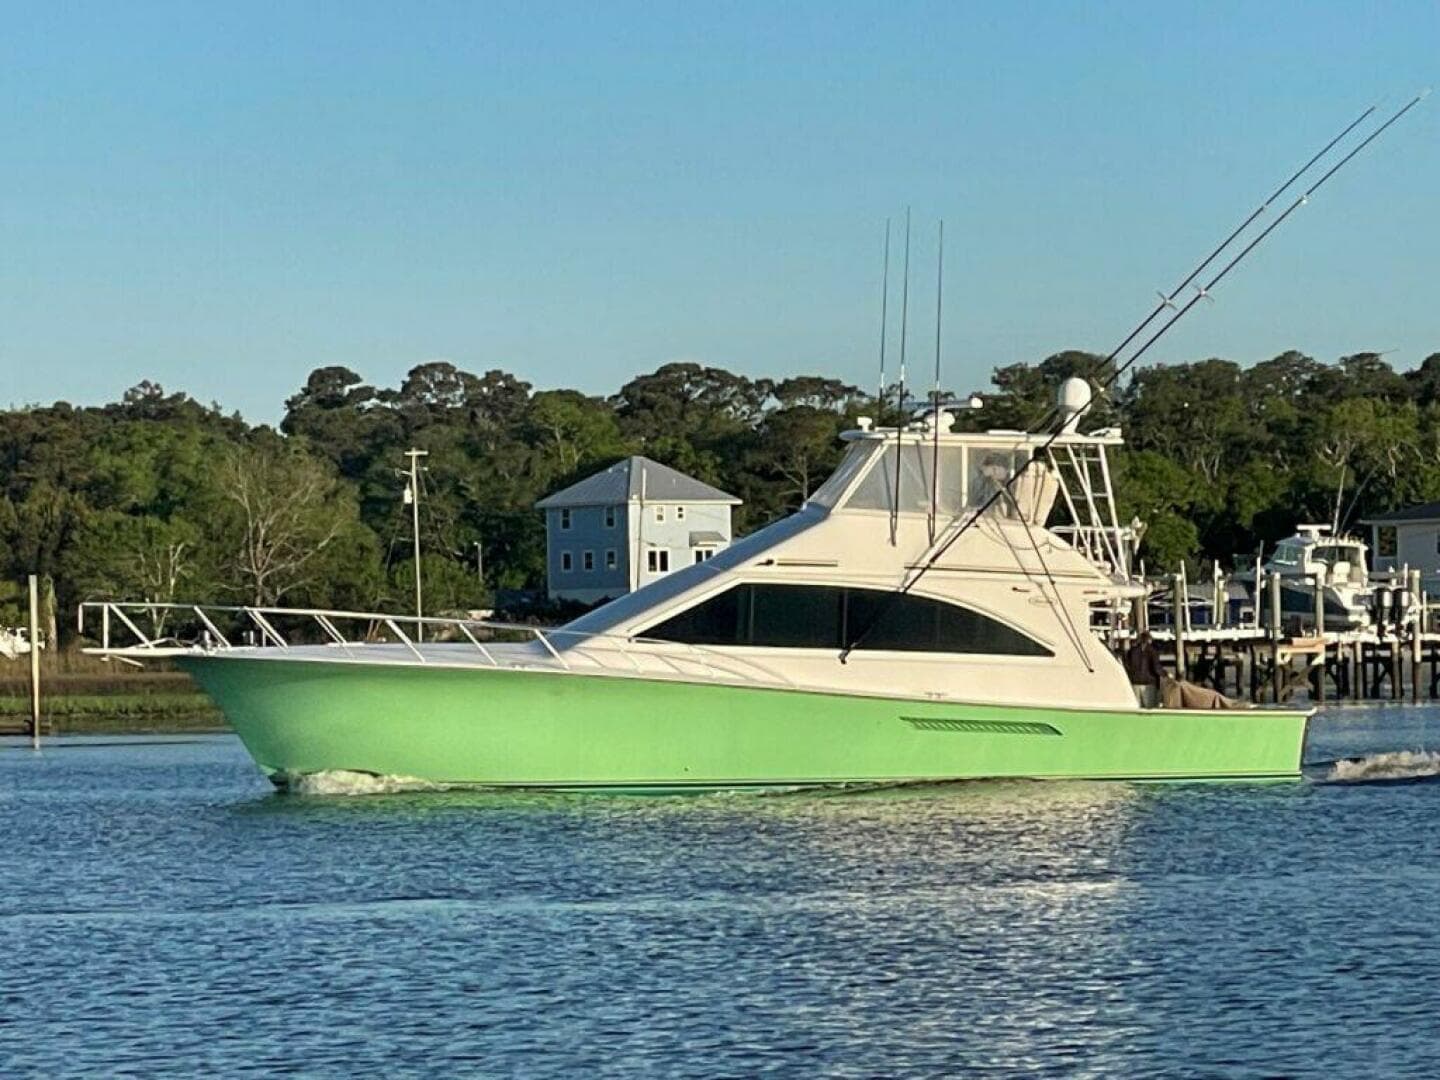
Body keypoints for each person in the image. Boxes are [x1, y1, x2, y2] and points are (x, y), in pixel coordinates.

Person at [1123, 631, 1163, 708]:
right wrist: (1166, 674)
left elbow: (1127, 666)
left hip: (1135, 683)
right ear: (1149, 640)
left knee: (1136, 708)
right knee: (1149, 709)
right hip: (1149, 684)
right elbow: (1156, 668)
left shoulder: (1132, 651)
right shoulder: (1153, 652)